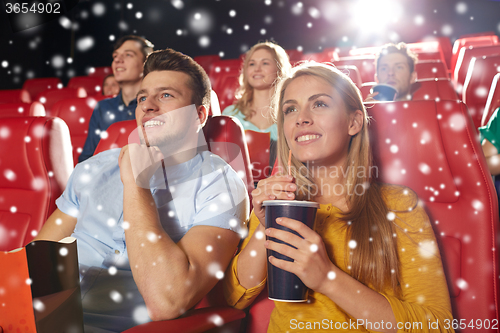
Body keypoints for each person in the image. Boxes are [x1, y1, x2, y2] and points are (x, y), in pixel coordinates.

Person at [223, 62, 453, 332]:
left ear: (354, 122)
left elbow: (438, 325)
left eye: (319, 104)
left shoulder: (398, 205)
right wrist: (265, 227)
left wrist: (327, 278)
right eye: (290, 109)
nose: (301, 118)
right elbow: (235, 299)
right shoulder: (278, 202)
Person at [34, 48, 248, 332]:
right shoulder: (95, 167)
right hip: (45, 316)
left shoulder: (219, 185)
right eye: (142, 97)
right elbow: (35, 264)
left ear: (200, 115)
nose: (148, 105)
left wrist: (136, 184)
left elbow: (167, 301)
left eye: (166, 95)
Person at [78, 35, 154, 163]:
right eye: (115, 56)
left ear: (146, 63)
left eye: (128, 55)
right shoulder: (102, 108)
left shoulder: (157, 106)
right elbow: (88, 159)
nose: (118, 60)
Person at [222, 42, 292, 178]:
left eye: (265, 63)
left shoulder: (290, 113)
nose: (257, 69)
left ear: (279, 68)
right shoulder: (230, 114)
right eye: (252, 64)